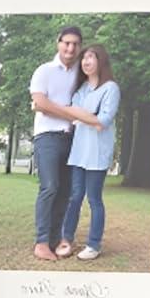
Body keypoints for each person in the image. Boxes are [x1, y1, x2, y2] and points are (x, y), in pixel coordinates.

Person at [56, 44, 120, 260]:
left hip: (97, 154)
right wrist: (90, 116)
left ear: (100, 61)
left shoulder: (110, 88)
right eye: (83, 58)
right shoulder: (81, 90)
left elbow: (104, 121)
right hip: (79, 151)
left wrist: (87, 117)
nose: (85, 61)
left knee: (94, 199)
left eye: (90, 57)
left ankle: (94, 244)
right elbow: (74, 114)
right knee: (75, 197)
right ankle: (67, 239)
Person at [27, 26, 83, 261]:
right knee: (49, 187)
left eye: (75, 44)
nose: (70, 48)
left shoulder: (81, 73)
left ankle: (55, 240)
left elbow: (48, 105)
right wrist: (72, 114)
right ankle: (41, 243)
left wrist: (52, 108)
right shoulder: (44, 71)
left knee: (66, 192)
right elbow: (39, 102)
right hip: (47, 137)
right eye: (66, 43)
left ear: (80, 47)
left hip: (73, 139)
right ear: (58, 42)